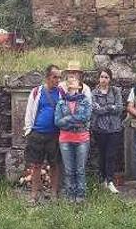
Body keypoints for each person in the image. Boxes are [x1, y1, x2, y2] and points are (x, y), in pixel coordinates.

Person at [23, 65, 65, 204]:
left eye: (59, 77)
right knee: (36, 165)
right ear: (47, 77)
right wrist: (29, 130)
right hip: (37, 133)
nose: (57, 80)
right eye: (55, 77)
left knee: (55, 165)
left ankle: (53, 193)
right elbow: (29, 111)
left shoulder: (61, 93)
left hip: (55, 134)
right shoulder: (36, 92)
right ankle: (34, 194)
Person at [55, 66, 92, 203]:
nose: (71, 81)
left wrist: (68, 120)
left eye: (74, 79)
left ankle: (80, 195)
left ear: (79, 85)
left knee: (80, 169)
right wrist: (75, 120)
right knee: (69, 169)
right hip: (65, 139)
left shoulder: (85, 100)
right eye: (69, 78)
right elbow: (57, 122)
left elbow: (86, 117)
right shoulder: (61, 102)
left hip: (82, 138)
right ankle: (70, 195)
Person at [91, 68, 124, 193]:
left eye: (106, 77)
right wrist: (111, 107)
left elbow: (120, 108)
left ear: (110, 79)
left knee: (111, 155)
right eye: (102, 77)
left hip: (114, 128)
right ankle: (102, 180)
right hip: (99, 128)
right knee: (102, 154)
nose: (104, 79)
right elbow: (96, 110)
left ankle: (110, 181)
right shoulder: (94, 93)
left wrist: (105, 108)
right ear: (98, 78)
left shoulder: (115, 91)